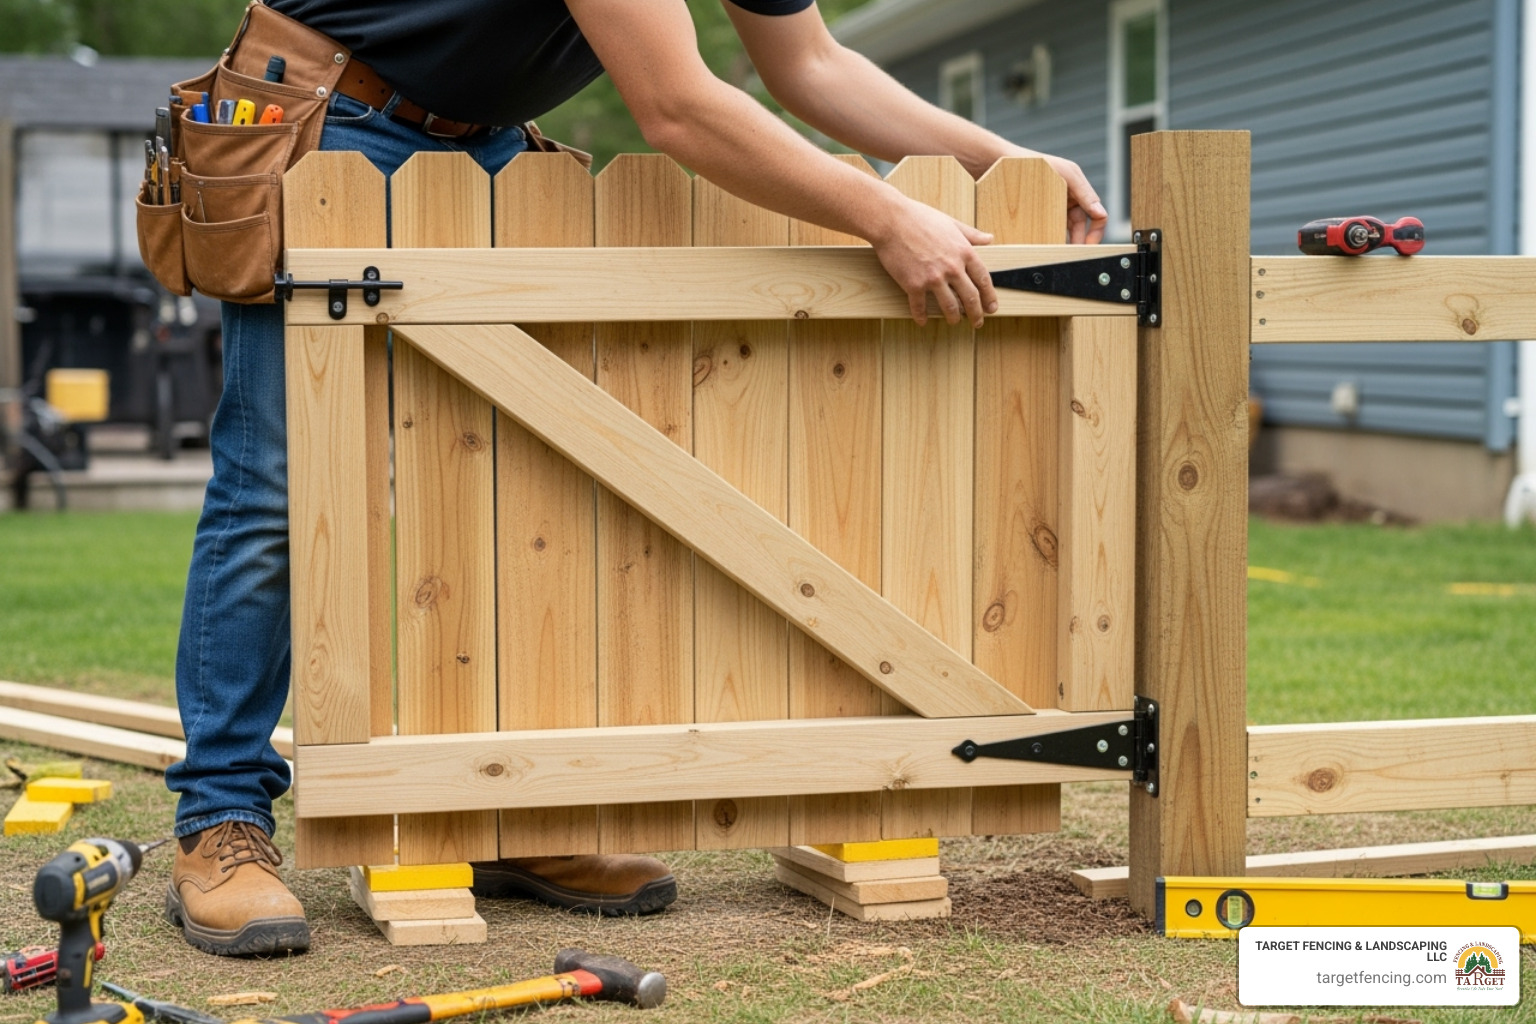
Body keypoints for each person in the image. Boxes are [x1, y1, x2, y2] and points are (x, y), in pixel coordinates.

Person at [164, 0, 1108, 958]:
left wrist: (1000, 161)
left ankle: (501, 805)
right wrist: (885, 215)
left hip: (482, 142)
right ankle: (219, 819)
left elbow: (812, 63)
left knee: (519, 485)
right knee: (281, 489)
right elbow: (677, 107)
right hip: (334, 113)